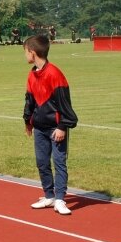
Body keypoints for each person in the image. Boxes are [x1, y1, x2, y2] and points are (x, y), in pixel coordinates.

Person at [23, 35, 78, 216]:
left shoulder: (54, 74)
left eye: (25, 52)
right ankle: (49, 195)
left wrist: (62, 126)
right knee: (42, 162)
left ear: (32, 52)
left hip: (56, 128)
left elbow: (65, 104)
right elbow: (29, 100)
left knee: (59, 162)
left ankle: (60, 199)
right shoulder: (32, 75)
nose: (24, 55)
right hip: (39, 127)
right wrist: (28, 121)